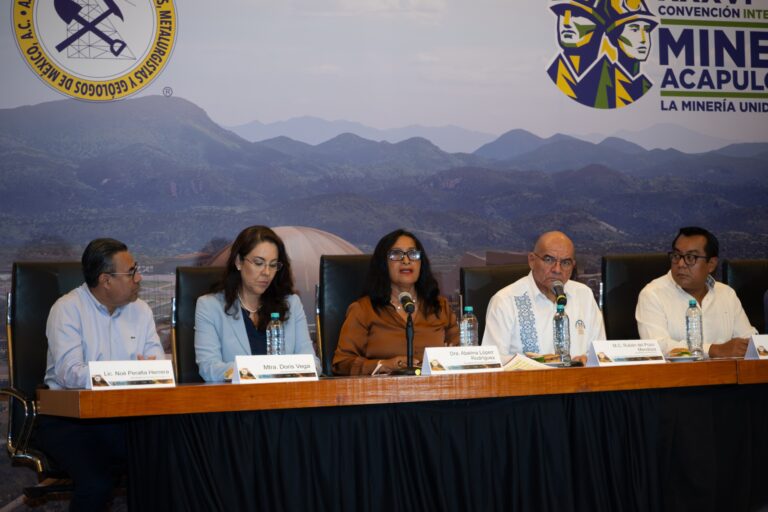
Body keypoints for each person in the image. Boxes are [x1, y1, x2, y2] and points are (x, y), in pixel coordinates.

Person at [37, 238, 165, 511]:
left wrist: (147, 371)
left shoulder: (140, 310)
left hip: (124, 417)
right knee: (97, 483)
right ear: (106, 280)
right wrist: (124, 374)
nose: (138, 278)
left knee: (164, 469)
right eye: (131, 272)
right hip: (70, 419)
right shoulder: (67, 309)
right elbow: (69, 374)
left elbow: (157, 365)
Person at [194, 225, 318, 382]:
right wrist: (257, 371)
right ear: (239, 262)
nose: (266, 272)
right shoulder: (210, 306)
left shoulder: (291, 304)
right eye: (259, 263)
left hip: (285, 400)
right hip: (237, 402)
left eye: (273, 265)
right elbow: (209, 368)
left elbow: (312, 364)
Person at [332, 229, 459, 375]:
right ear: (383, 264)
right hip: (384, 394)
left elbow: (460, 354)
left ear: (421, 263)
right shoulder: (363, 310)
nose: (406, 260)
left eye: (413, 254)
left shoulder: (440, 307)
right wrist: (383, 365)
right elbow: (341, 363)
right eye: (396, 254)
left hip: (439, 392)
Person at [483, 231, 605, 363]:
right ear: (532, 260)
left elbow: (601, 352)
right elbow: (492, 361)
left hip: (579, 381)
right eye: (549, 260)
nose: (557, 269)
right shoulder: (505, 301)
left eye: (565, 262)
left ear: (573, 266)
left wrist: (588, 360)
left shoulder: (584, 295)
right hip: (528, 382)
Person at [636, 226, 756, 357]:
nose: (681, 264)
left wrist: (749, 346)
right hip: (677, 375)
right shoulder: (653, 294)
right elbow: (657, 346)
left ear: (711, 264)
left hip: (726, 375)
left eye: (690, 257)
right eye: (676, 256)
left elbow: (749, 340)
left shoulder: (726, 294)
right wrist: (713, 350)